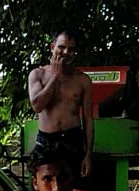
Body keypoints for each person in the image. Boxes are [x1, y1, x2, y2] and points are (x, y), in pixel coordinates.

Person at [28, 29, 94, 180]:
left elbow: (88, 119)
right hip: (47, 140)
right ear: (52, 47)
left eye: (71, 49)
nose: (65, 52)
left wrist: (88, 155)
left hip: (73, 139)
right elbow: (37, 106)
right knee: (45, 186)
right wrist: (55, 76)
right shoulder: (38, 74)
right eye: (61, 47)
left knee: (73, 186)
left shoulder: (82, 80)